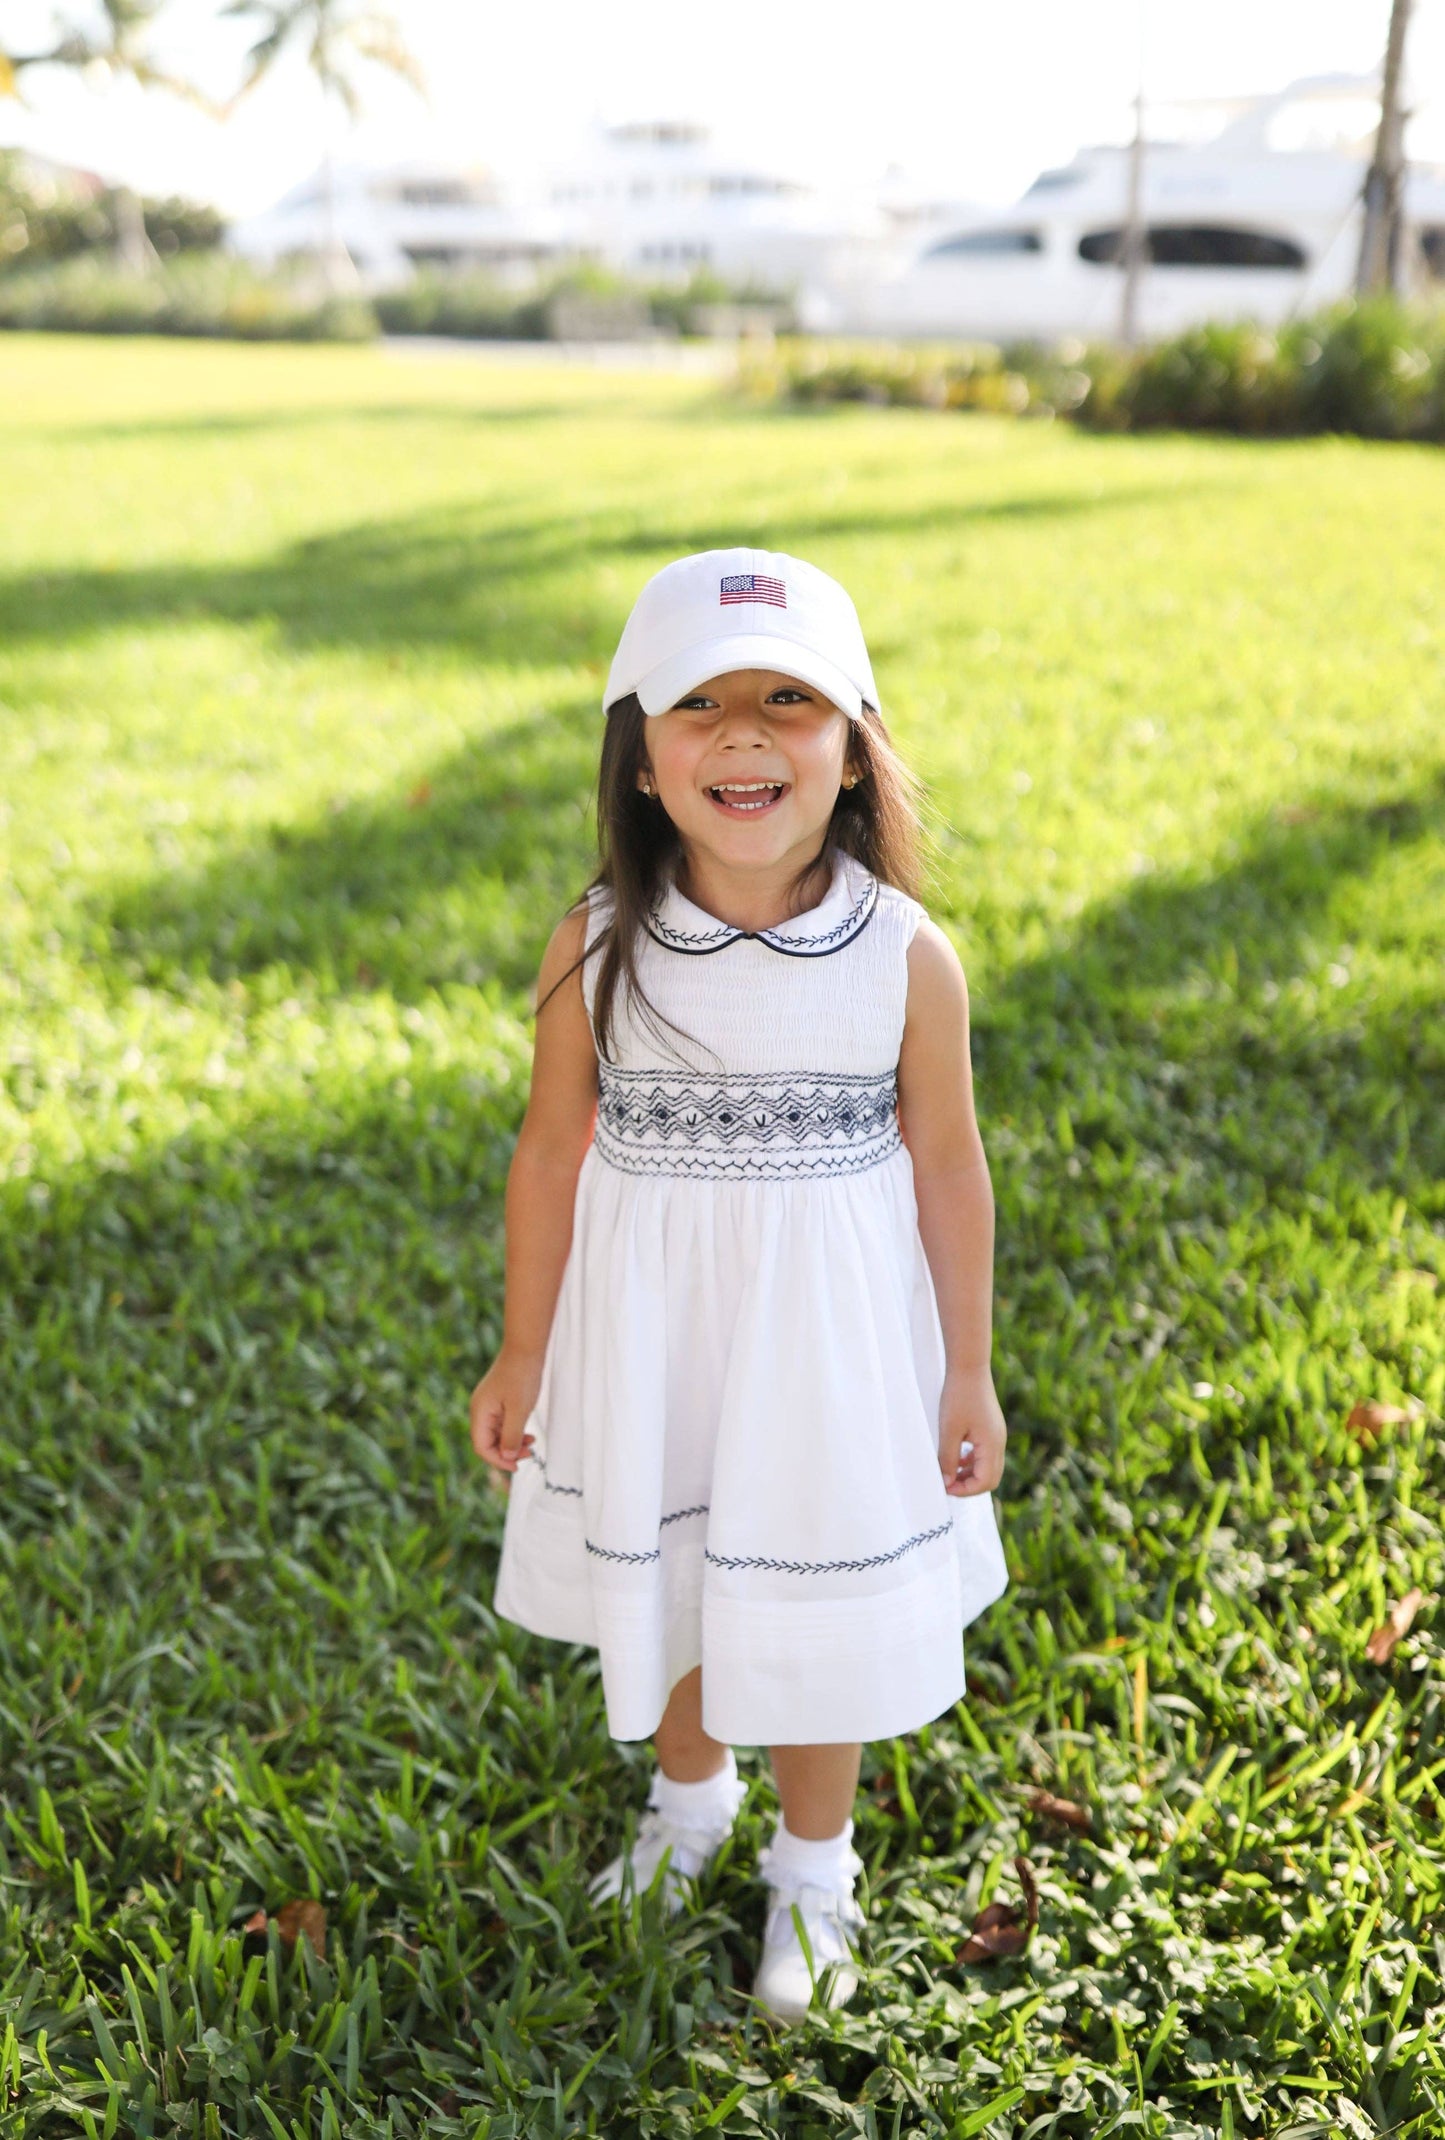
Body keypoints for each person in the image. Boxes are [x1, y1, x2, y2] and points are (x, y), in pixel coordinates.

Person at [470, 547, 1011, 2023]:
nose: (743, 732)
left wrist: (963, 1369)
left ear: (852, 753)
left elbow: (949, 1168)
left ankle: (813, 1864)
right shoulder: (597, 943)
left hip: (830, 1351)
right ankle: (690, 1799)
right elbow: (549, 1150)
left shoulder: (903, 956)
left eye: (790, 698)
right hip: (655, 1343)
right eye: (697, 702)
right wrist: (526, 1352)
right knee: (694, 1566)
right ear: (639, 760)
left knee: (808, 1601)